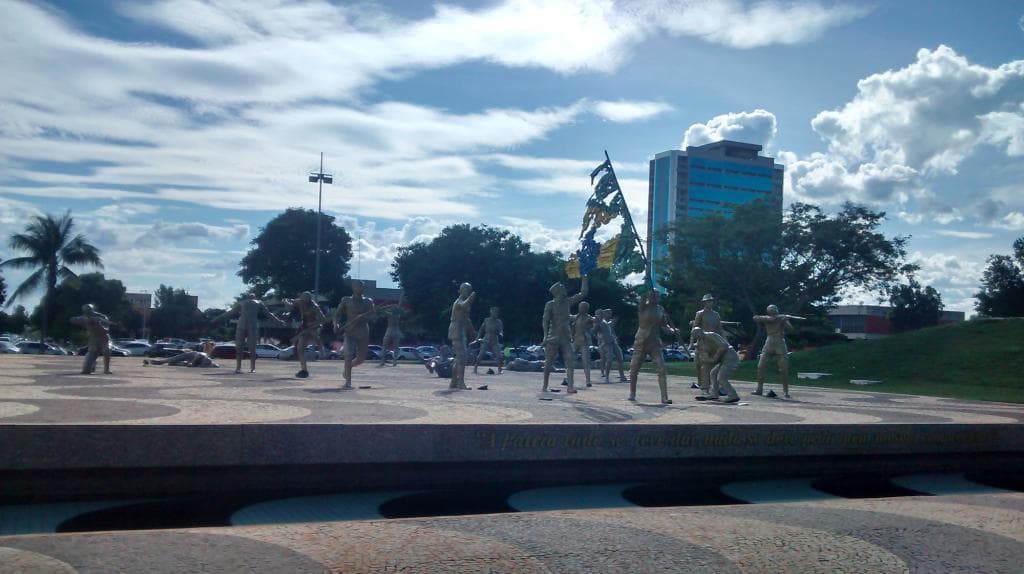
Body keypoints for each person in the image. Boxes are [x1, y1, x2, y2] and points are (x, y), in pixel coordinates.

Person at [628, 289, 678, 404]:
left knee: (662, 368)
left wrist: (672, 331)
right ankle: (632, 393)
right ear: (649, 297)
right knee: (634, 368)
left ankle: (664, 397)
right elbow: (642, 295)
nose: (656, 298)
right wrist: (647, 279)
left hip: (654, 343)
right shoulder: (643, 307)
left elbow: (664, 326)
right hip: (641, 341)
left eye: (657, 296)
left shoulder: (660, 309)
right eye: (654, 295)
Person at [214, 293, 285, 374]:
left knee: (252, 348)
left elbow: (268, 314)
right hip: (242, 325)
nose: (251, 297)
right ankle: (238, 368)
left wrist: (278, 321)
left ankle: (252, 368)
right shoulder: (242, 303)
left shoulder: (258, 303)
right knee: (239, 347)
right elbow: (230, 312)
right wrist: (217, 318)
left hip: (252, 325)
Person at [541, 276, 589, 393]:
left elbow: (583, 293)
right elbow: (545, 320)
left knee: (570, 360)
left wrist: (584, 279)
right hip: (553, 336)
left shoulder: (568, 302)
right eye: (562, 287)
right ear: (558, 291)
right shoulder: (550, 305)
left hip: (566, 337)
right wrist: (545, 336)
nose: (565, 289)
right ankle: (545, 385)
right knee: (548, 363)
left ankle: (570, 386)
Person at [752, 304, 803, 398]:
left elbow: (791, 329)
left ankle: (786, 391)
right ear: (768, 312)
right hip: (769, 342)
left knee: (784, 368)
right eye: (771, 310)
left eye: (774, 309)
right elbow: (755, 318)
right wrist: (770, 319)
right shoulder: (766, 318)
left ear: (777, 310)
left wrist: (784, 320)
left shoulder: (782, 318)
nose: (773, 311)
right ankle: (759, 389)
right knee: (760, 366)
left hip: (780, 342)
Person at [333, 280, 376, 389]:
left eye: (361, 287)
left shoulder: (368, 301)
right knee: (349, 354)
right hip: (350, 330)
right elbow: (336, 315)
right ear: (353, 288)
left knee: (361, 359)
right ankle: (348, 382)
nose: (360, 288)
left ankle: (348, 368)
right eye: (357, 286)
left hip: (363, 331)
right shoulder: (346, 300)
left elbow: (373, 318)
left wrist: (364, 317)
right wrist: (336, 324)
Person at [690, 327, 740, 404]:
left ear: (702, 331)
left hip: (730, 356)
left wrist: (714, 358)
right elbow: (705, 356)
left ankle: (733, 395)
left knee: (721, 377)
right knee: (713, 373)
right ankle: (714, 394)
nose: (696, 336)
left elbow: (723, 346)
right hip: (722, 359)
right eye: (694, 335)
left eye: (697, 333)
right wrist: (706, 359)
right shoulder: (701, 342)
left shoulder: (711, 335)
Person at [287, 291, 325, 378]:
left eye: (305, 300)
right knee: (300, 349)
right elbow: (292, 302)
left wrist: (313, 324)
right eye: (302, 299)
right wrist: (287, 302)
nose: (303, 301)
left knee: (314, 334)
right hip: (304, 325)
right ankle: (304, 370)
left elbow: (322, 319)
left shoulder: (315, 307)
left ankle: (321, 349)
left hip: (314, 325)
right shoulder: (299, 302)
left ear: (309, 300)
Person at [448, 282, 477, 389]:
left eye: (469, 291)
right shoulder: (458, 302)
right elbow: (464, 305)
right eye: (466, 290)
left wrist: (473, 332)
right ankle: (460, 382)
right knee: (462, 357)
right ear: (460, 291)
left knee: (459, 358)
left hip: (461, 330)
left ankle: (454, 381)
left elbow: (466, 320)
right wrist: (471, 298)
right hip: (456, 329)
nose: (468, 292)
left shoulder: (465, 305)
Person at [70, 304, 113, 375]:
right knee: (85, 371)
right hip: (93, 340)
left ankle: (106, 369)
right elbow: (72, 320)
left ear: (92, 310)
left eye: (88, 310)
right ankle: (93, 364)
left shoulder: (101, 317)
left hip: (104, 338)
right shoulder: (83, 317)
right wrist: (83, 320)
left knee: (106, 350)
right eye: (85, 311)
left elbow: (106, 330)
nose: (87, 313)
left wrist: (99, 324)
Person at [595, 308, 626, 383]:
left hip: (612, 341)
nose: (601, 314)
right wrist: (601, 340)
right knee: (609, 359)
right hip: (606, 343)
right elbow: (593, 331)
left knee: (620, 357)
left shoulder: (605, 322)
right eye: (600, 313)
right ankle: (607, 377)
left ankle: (622, 376)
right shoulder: (598, 323)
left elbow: (609, 330)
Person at [570, 301, 596, 387]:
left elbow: (595, 320)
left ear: (586, 309)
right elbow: (569, 317)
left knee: (586, 361)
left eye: (583, 307)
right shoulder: (576, 317)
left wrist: (597, 318)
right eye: (580, 307)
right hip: (576, 340)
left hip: (584, 341)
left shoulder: (588, 318)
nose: (581, 309)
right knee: (570, 359)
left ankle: (588, 380)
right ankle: (568, 378)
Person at [474, 306, 504, 375]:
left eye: (497, 312)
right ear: (491, 312)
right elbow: (481, 329)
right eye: (494, 312)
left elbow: (501, 329)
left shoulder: (499, 322)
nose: (496, 313)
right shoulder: (486, 320)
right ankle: (475, 368)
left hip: (494, 340)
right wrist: (477, 338)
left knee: (499, 355)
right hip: (486, 339)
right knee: (481, 354)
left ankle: (500, 369)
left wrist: (501, 334)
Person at [144, 350, 218, 368]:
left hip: (190, 360)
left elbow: (216, 365)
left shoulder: (208, 364)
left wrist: (191, 364)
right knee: (172, 359)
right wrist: (192, 363)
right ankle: (160, 361)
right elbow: (197, 356)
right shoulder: (204, 356)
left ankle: (168, 362)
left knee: (174, 363)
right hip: (191, 354)